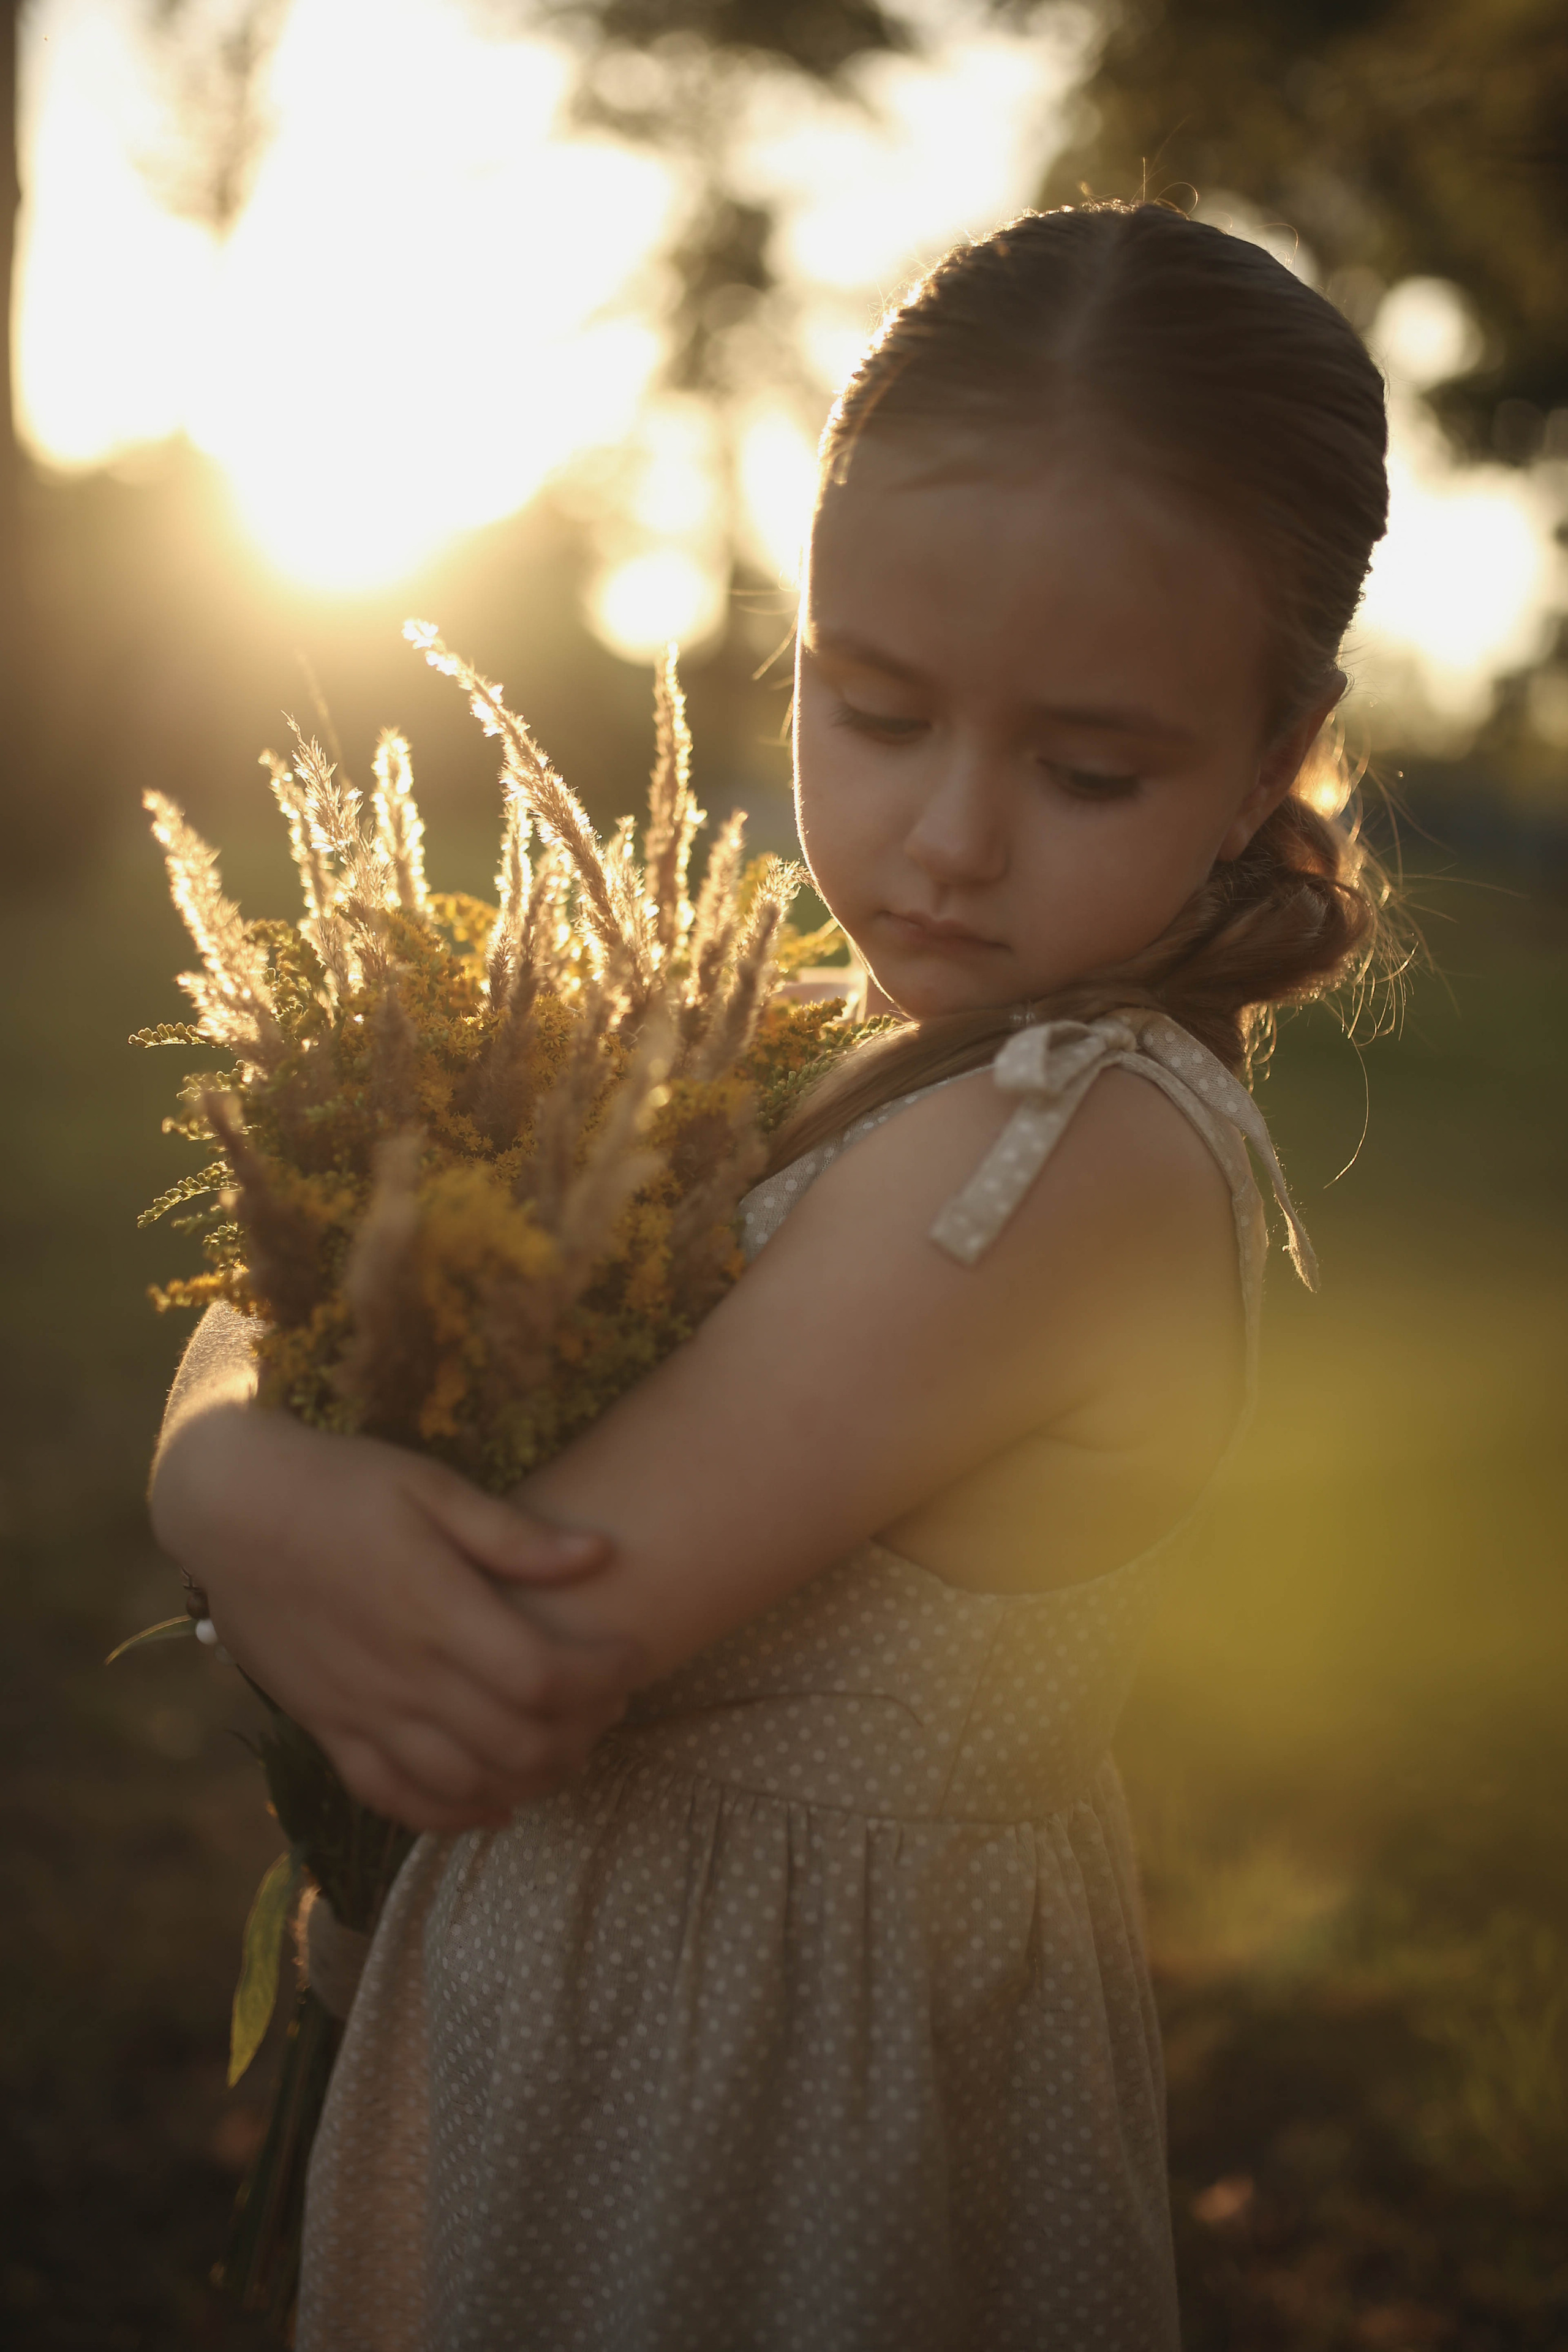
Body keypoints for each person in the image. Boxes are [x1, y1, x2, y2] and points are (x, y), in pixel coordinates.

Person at [150, 202, 1392, 2350]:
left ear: (1275, 752)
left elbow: (509, 1635)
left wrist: (218, 1466)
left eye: (1088, 768)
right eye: (876, 709)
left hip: (752, 2123)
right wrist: (234, 1440)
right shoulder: (849, 1046)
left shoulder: (1069, 1160)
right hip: (594, 2018)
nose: (950, 838)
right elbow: (354, 1313)